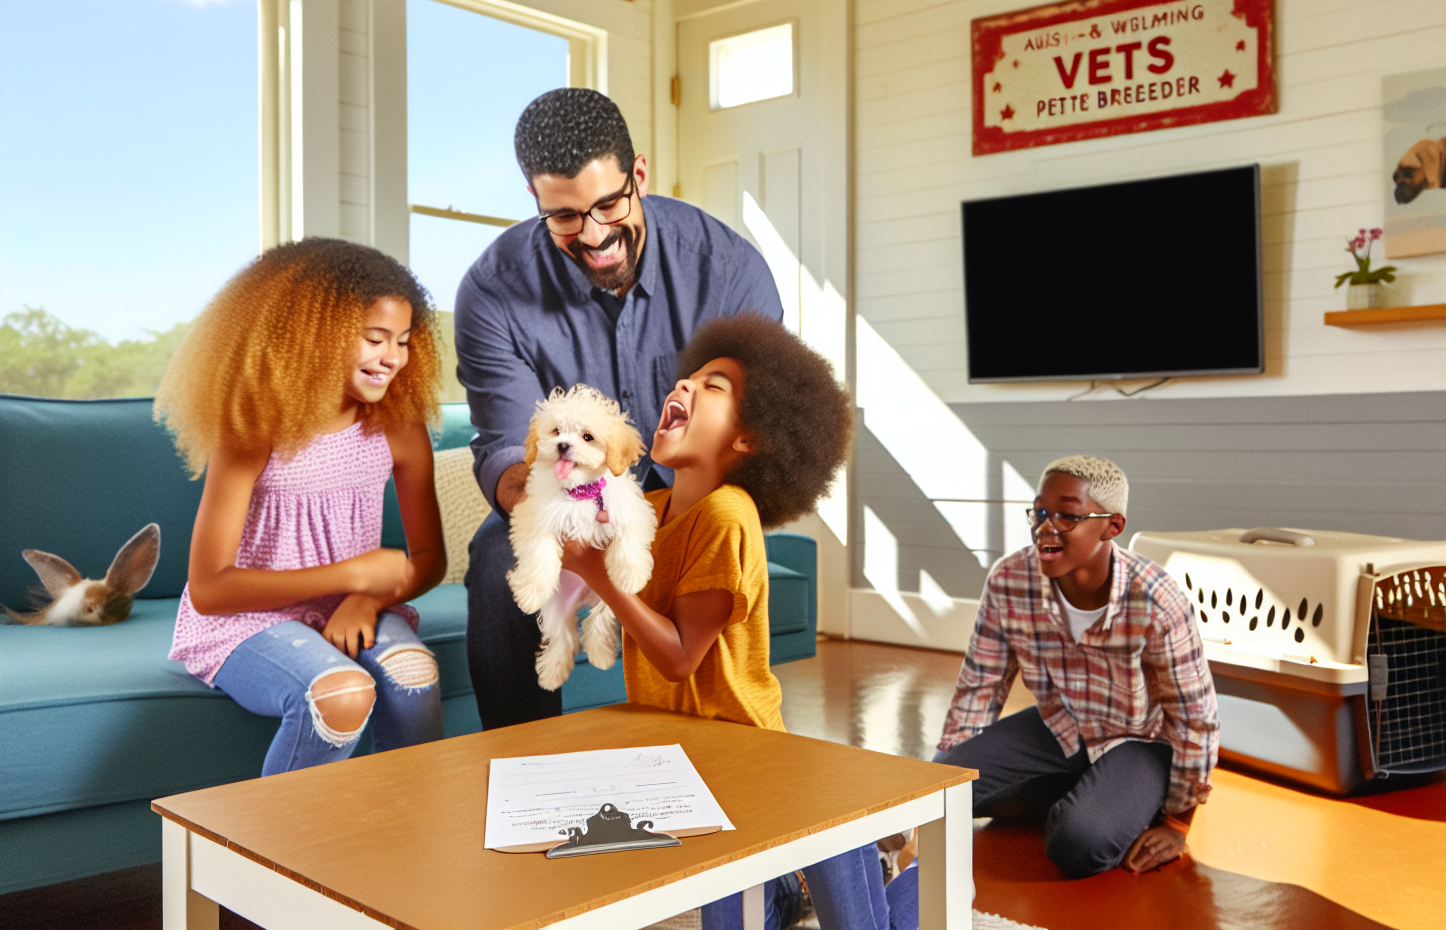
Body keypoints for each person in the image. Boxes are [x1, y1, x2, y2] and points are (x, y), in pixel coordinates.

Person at [560, 313, 910, 930]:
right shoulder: (653, 509)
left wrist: (596, 573)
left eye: (713, 385)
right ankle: (805, 883)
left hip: (747, 756)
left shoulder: (727, 514)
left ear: (749, 439)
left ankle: (905, 873)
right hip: (682, 759)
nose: (686, 386)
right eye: (687, 377)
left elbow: (678, 658)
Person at [456, 87, 782, 730]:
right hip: (567, 499)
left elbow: (755, 428)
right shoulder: (492, 292)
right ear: (537, 202)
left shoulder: (731, 271)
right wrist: (579, 527)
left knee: (721, 526)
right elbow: (511, 452)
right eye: (568, 217)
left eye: (610, 204)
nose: (598, 236)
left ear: (638, 174)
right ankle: (523, 771)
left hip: (696, 497)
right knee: (499, 562)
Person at [158, 238, 448, 776]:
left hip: (350, 609)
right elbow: (210, 588)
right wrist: (352, 573)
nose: (393, 358)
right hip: (245, 621)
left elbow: (430, 557)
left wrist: (366, 597)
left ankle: (413, 840)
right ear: (314, 335)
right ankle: (268, 860)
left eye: (404, 341)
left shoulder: (400, 429)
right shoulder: (254, 430)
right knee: (340, 694)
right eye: (374, 339)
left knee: (414, 674)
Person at [934, 456, 1219, 879]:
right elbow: (981, 686)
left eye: (1067, 516)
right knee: (938, 795)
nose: (1045, 528)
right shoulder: (1009, 580)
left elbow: (1196, 720)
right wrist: (947, 775)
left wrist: (1178, 824)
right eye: (1040, 513)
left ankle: (1110, 798)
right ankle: (1077, 790)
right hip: (1060, 726)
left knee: (1077, 844)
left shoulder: (1158, 599)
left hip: (1140, 739)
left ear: (1112, 526)